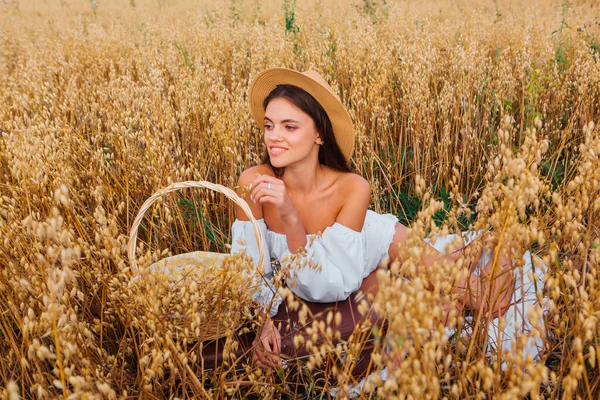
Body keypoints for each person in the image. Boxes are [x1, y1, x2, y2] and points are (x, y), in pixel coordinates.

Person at [230, 68, 544, 369]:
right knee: (440, 297)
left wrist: (289, 216)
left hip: (380, 242)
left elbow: (329, 288)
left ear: (320, 136)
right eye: (269, 125)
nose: (274, 137)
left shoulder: (352, 187)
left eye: (290, 126)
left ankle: (503, 243)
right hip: (349, 266)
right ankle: (455, 259)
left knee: (487, 301)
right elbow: (247, 267)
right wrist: (261, 321)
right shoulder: (252, 182)